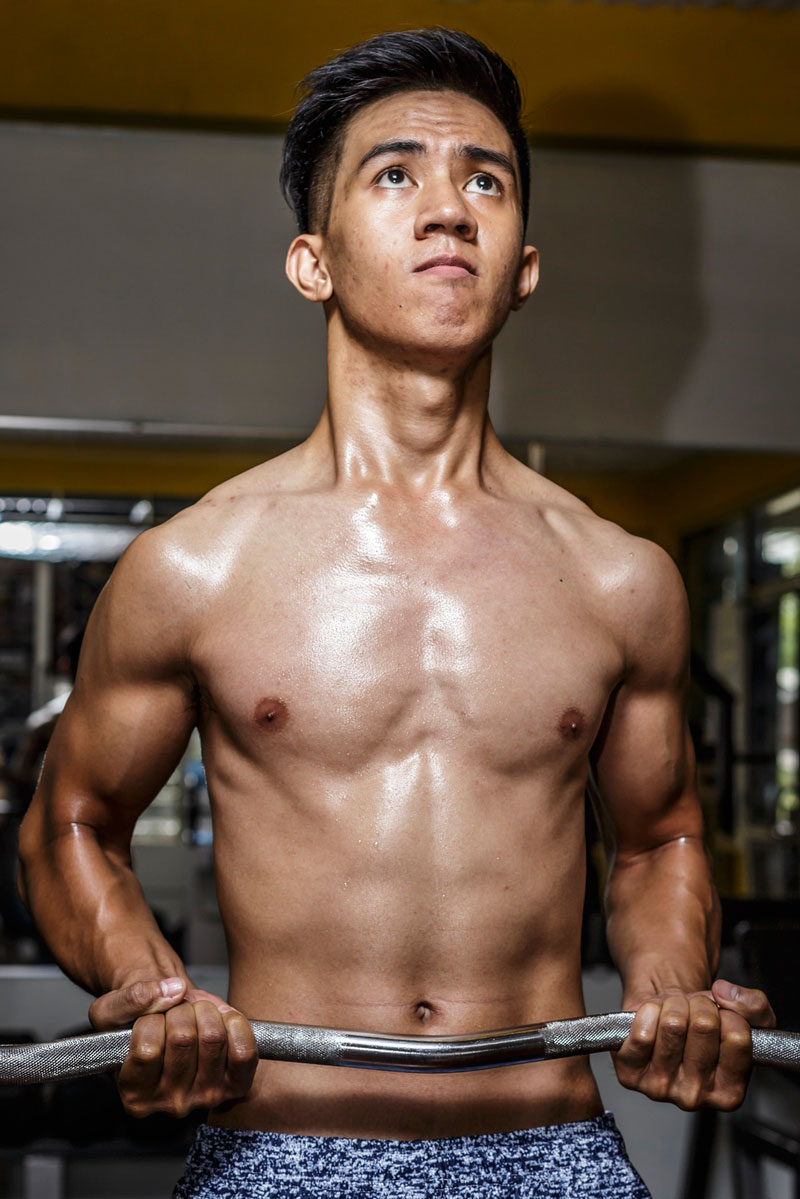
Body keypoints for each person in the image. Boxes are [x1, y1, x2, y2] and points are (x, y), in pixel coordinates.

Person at [18, 27, 775, 1199]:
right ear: (311, 262)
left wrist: (670, 983)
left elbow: (659, 838)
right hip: (283, 1147)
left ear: (523, 266)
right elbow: (69, 822)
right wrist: (149, 987)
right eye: (393, 174)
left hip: (549, 1146)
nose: (448, 210)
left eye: (487, 181)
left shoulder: (618, 579)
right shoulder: (195, 566)